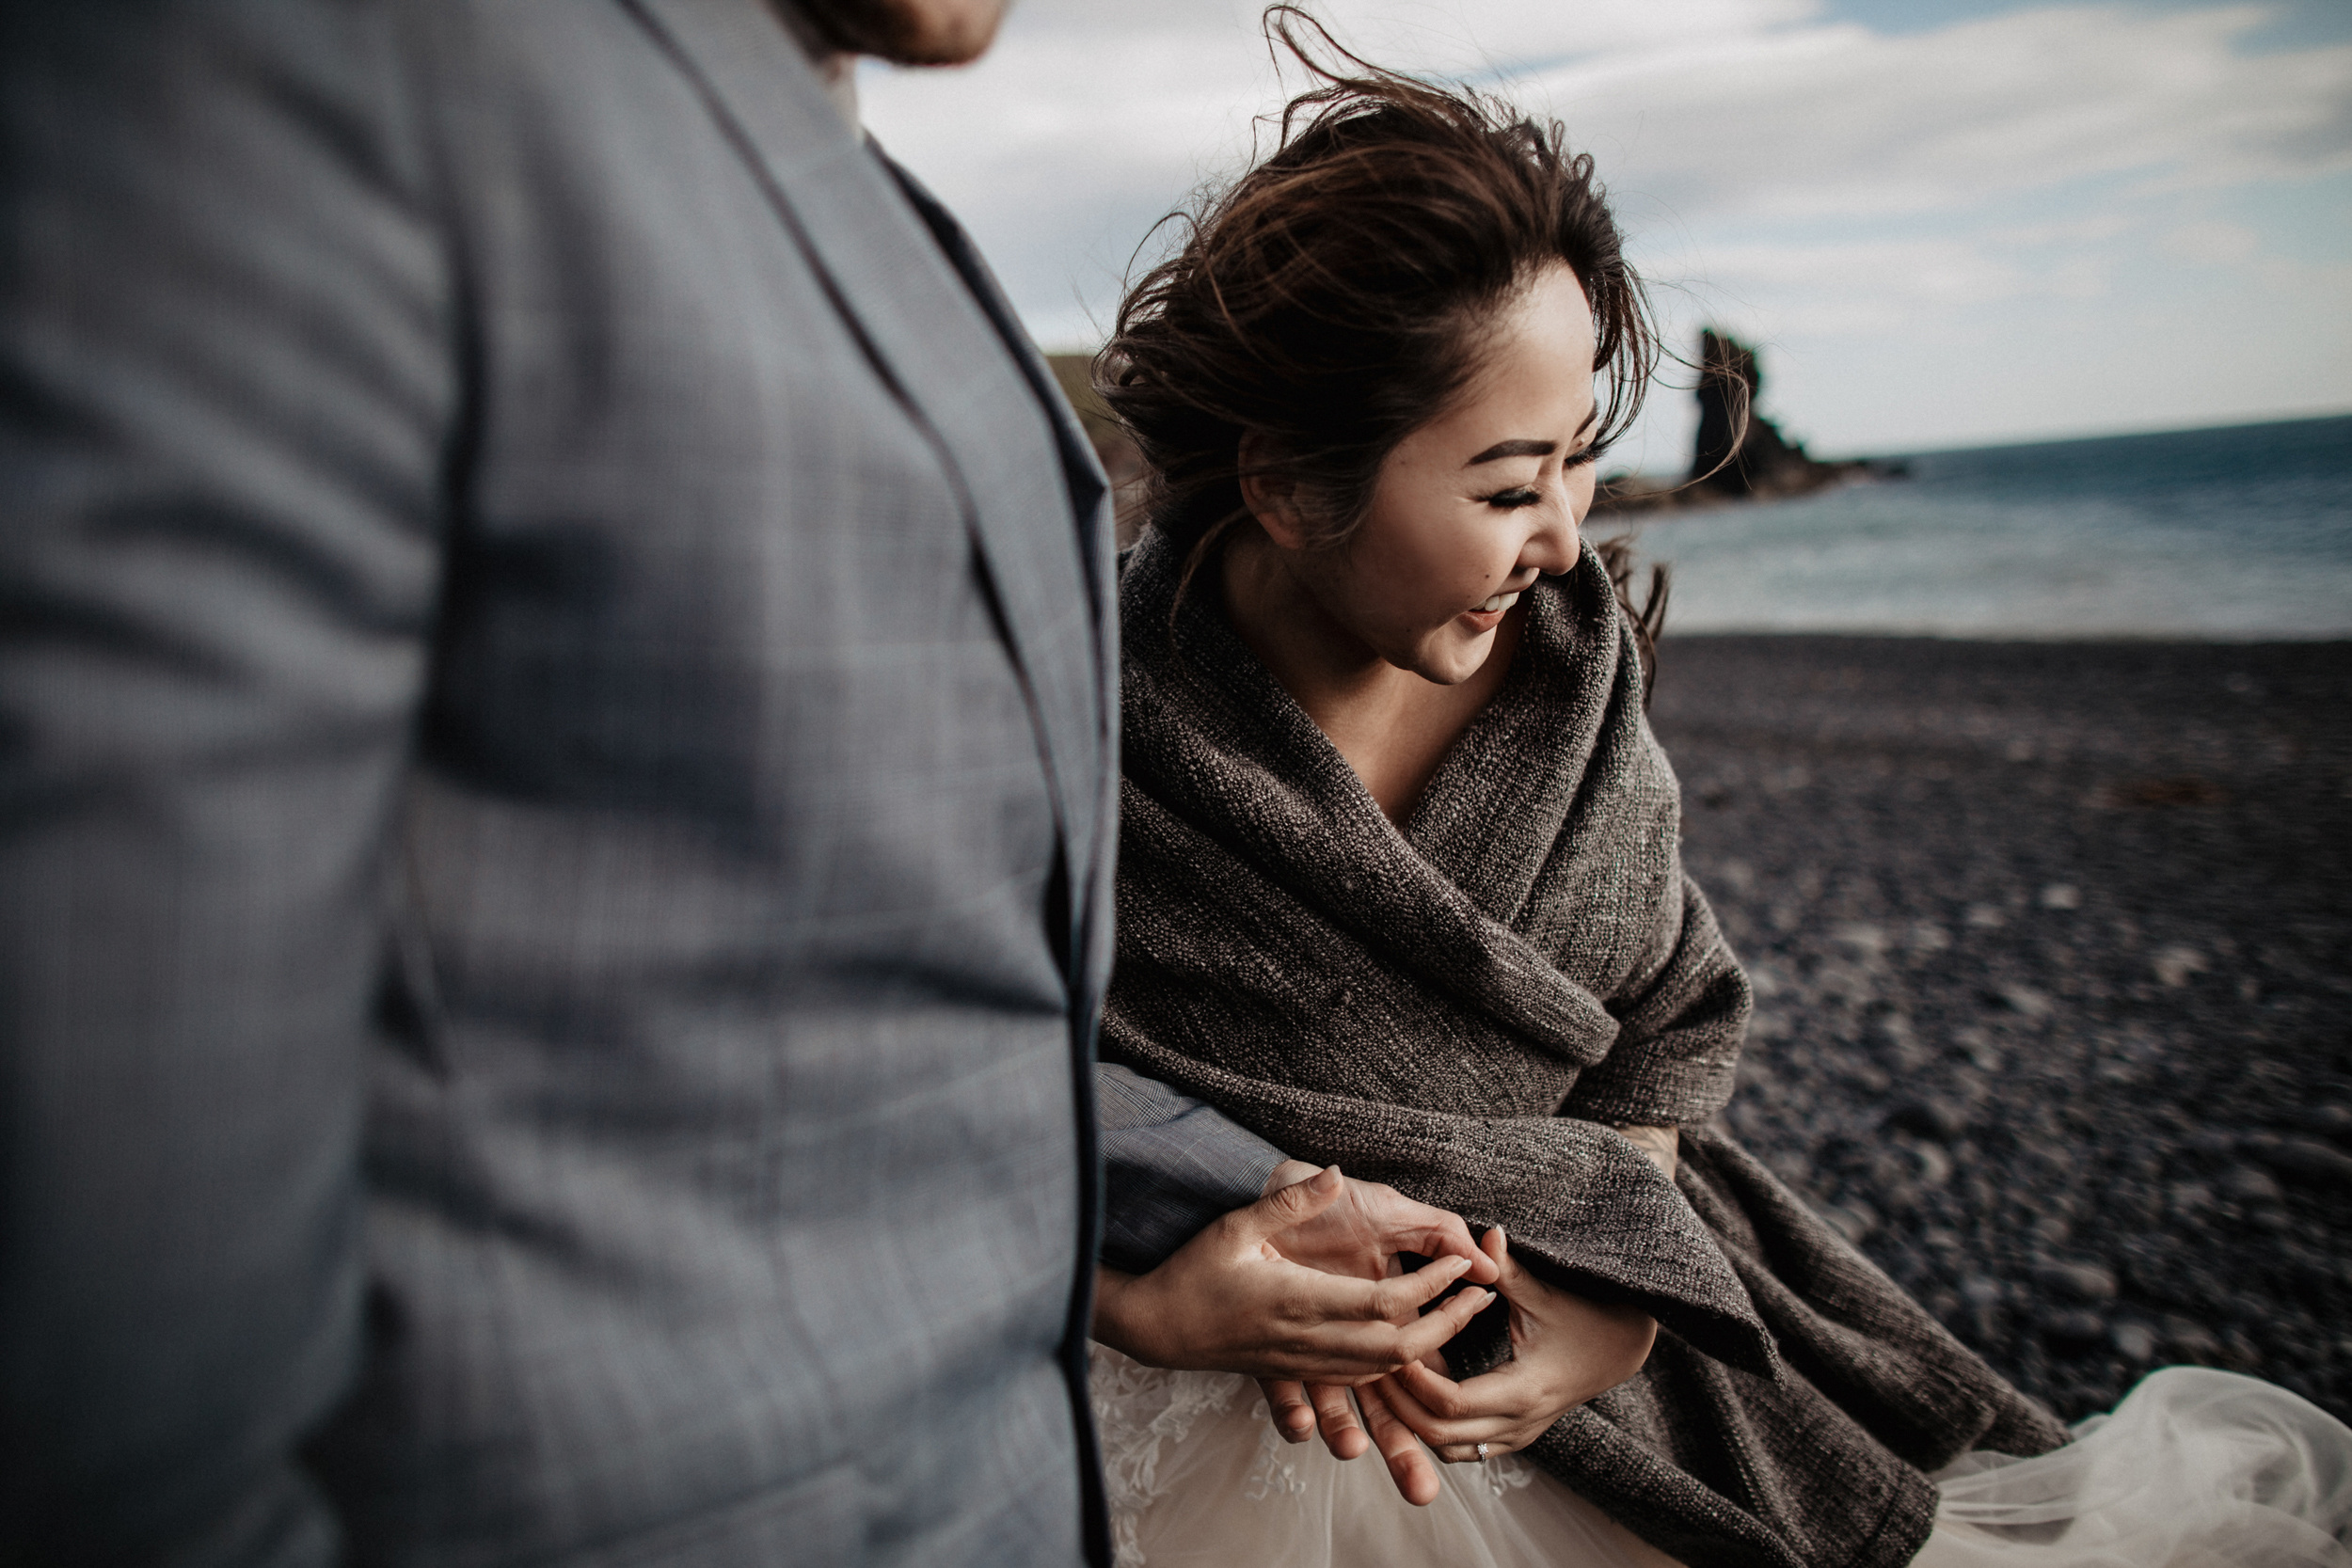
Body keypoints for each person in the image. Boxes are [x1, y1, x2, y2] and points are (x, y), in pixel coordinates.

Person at [0, 2, 1490, 1562]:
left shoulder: (866, 190)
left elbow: (822, 980)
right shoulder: (289, 76)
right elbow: (103, 1303)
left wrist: (1227, 1190)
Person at [1083, 20, 2352, 1568]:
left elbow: (1667, 1038)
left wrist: (1614, 1313)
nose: (1563, 540)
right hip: (1199, 1398)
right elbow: (957, 1074)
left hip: (1593, 1344)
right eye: (1504, 485)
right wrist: (1133, 1289)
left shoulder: (1571, 679)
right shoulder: (1086, 717)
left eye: (1584, 461)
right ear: (1286, 482)